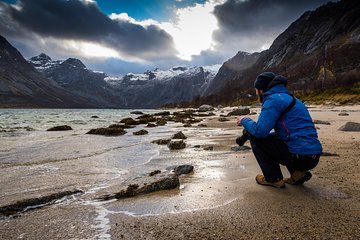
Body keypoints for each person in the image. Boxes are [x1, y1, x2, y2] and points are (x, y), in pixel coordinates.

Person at [237, 72, 322, 188]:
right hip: (312, 156)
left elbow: (260, 131)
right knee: (282, 139)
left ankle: (273, 179)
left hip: (299, 156)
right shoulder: (290, 98)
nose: (256, 93)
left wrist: (244, 120)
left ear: (261, 89)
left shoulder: (273, 100)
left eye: (256, 90)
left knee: (256, 138)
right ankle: (298, 174)